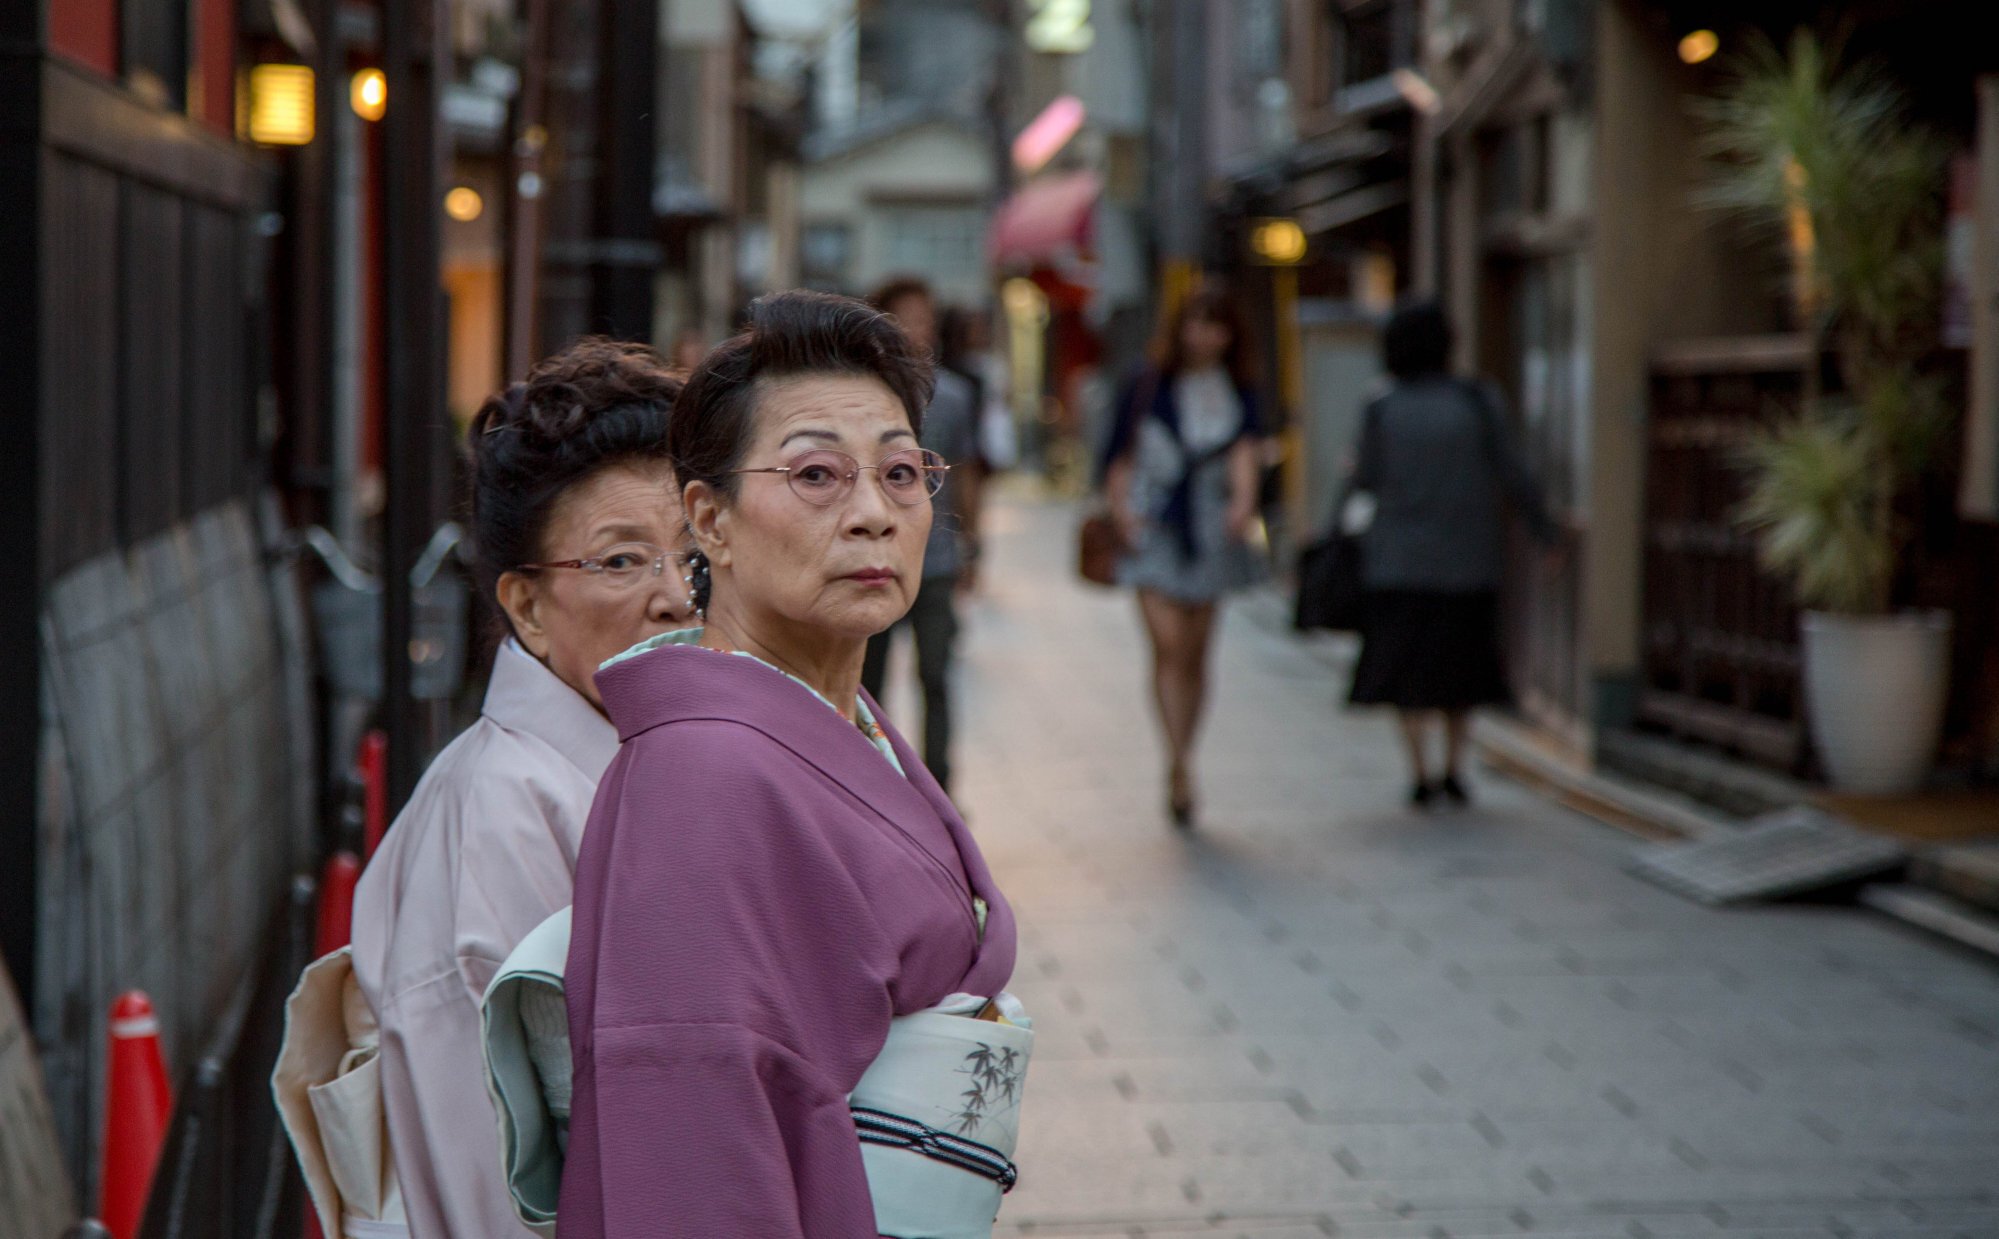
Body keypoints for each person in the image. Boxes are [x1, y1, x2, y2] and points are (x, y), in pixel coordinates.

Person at [559, 291, 1019, 1236]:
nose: (871, 514)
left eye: (899, 472)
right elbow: (690, 1124)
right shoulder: (699, 778)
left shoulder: (844, 725)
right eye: (816, 473)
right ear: (709, 519)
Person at [350, 339, 695, 1238]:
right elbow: (498, 1186)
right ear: (527, 606)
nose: (675, 598)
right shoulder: (503, 811)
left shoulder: (637, 765)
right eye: (621, 561)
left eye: (696, 557)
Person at [1346, 301, 1555, 808]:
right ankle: (1455, 766)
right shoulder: (1478, 400)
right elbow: (1511, 469)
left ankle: (1419, 770)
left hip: (1398, 559)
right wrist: (1542, 528)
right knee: (1460, 666)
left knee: (1410, 669)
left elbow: (1364, 480)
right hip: (1468, 556)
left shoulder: (1383, 405)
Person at [1101, 290, 1267, 828]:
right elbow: (1119, 452)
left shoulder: (1240, 388)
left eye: (1216, 326)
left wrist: (1244, 504)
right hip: (1152, 524)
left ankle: (1184, 755)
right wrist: (1121, 511)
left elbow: (1247, 449)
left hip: (1211, 526)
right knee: (1168, 646)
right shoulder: (1146, 381)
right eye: (1197, 323)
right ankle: (1175, 763)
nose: (1205, 336)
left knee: (1196, 653)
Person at [860, 277, 982, 793]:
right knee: (870, 684)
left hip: (934, 561)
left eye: (924, 316)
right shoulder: (862, 397)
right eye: (905, 315)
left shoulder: (953, 394)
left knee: (936, 675)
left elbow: (969, 473)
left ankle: (939, 788)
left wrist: (971, 544)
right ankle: (873, 784)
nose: (917, 327)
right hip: (873, 559)